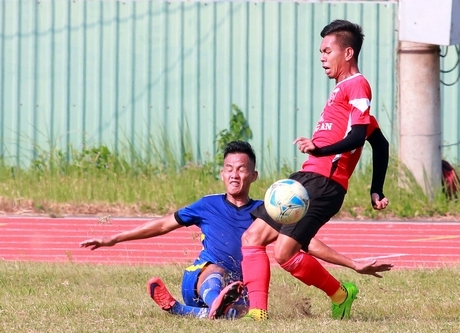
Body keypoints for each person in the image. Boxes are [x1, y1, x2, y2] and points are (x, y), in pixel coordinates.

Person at [80, 140, 391, 320]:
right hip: (201, 278)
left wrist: (353, 264)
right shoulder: (206, 204)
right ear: (221, 173)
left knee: (243, 303)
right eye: (229, 169)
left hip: (238, 286)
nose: (234, 174)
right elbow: (163, 224)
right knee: (214, 271)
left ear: (253, 175)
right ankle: (214, 301)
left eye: (242, 169)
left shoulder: (266, 212)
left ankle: (192, 312)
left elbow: (306, 242)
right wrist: (114, 239)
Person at [240, 19, 390, 321]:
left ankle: (340, 293)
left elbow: (359, 137)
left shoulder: (357, 85)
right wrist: (377, 188)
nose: (322, 57)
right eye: (320, 51)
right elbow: (380, 143)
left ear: (347, 53)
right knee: (252, 238)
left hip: (325, 182)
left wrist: (319, 149)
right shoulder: (341, 94)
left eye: (327, 50)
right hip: (306, 177)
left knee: (283, 253)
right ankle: (257, 313)